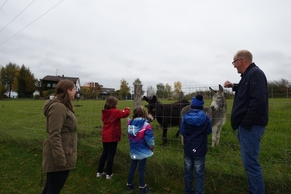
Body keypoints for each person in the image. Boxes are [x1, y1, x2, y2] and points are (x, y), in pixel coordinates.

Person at [224, 50, 268, 194]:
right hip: (248, 126)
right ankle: (253, 190)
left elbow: (257, 101)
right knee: (249, 163)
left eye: (234, 63)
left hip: (251, 127)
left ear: (240, 60)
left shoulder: (255, 73)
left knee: (251, 164)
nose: (234, 66)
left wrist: (246, 123)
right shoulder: (249, 75)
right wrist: (234, 86)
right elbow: (247, 89)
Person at [42, 79, 78, 194]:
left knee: (51, 188)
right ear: (68, 90)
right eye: (74, 89)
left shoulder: (63, 106)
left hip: (64, 151)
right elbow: (54, 134)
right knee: (53, 189)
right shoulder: (58, 107)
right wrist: (60, 158)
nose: (75, 92)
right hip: (60, 154)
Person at [180, 94, 212, 194]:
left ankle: (188, 191)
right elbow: (208, 131)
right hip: (200, 149)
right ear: (201, 106)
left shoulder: (185, 118)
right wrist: (209, 120)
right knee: (199, 174)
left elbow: (183, 132)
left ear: (192, 106)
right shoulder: (206, 118)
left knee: (188, 173)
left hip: (188, 149)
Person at [96, 96, 130, 179]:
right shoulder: (114, 112)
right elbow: (125, 114)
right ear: (114, 104)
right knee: (111, 154)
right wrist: (127, 109)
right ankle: (109, 173)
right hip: (112, 136)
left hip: (105, 135)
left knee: (105, 153)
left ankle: (99, 172)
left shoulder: (105, 112)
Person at [126, 106, 155, 194]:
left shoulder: (130, 124)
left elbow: (129, 138)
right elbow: (149, 140)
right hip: (142, 151)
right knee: (141, 169)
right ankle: (142, 188)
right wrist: (151, 147)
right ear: (144, 114)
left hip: (134, 150)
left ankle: (129, 185)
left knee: (132, 167)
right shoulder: (146, 125)